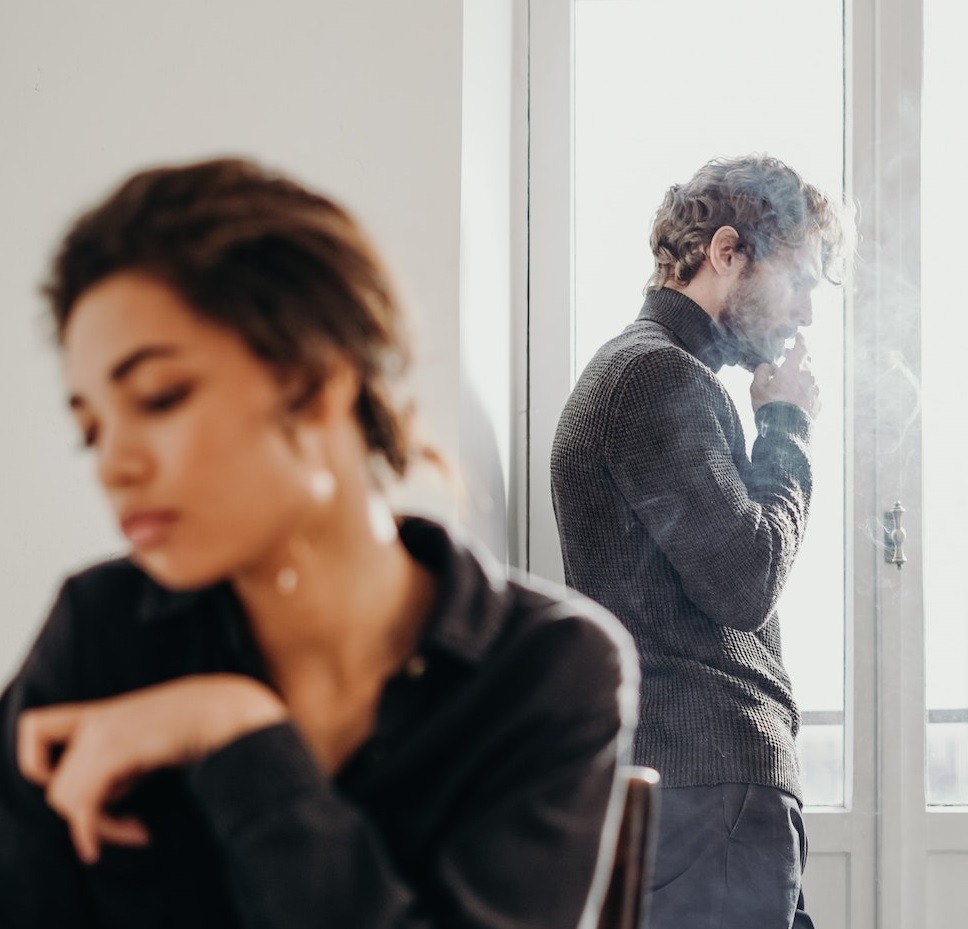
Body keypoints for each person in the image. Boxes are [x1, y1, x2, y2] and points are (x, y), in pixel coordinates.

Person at [0, 158, 637, 929]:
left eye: (158, 398)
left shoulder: (551, 668)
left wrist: (238, 735)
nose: (114, 463)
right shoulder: (98, 629)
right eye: (90, 429)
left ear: (317, 383)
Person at [550, 155, 844, 929]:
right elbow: (745, 579)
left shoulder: (659, 374)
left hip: (706, 791)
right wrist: (785, 426)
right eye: (801, 279)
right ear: (725, 252)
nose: (807, 314)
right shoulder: (655, 376)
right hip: (708, 788)